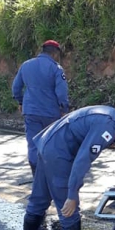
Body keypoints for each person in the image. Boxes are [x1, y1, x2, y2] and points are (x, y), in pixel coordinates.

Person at [11, 40, 70, 176]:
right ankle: (51, 176)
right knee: (51, 144)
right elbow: (61, 93)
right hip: (51, 114)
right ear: (55, 53)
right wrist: (64, 110)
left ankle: (36, 174)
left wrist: (21, 102)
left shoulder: (26, 65)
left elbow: (16, 88)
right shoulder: (56, 68)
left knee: (33, 144)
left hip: (31, 111)